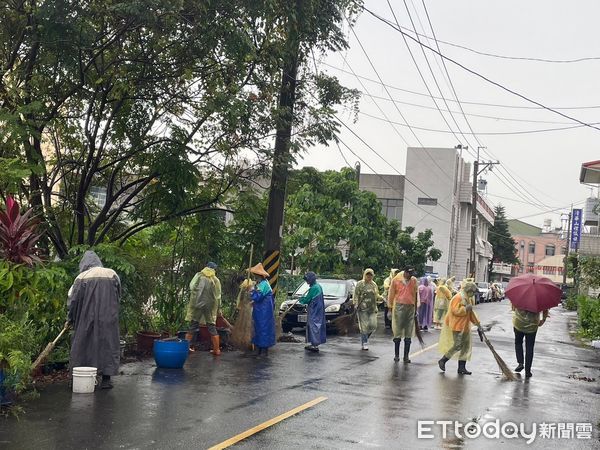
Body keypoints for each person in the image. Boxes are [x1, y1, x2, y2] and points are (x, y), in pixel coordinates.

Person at [67, 251, 121, 390]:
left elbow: (73, 301)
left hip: (86, 319)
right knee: (107, 344)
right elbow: (118, 295)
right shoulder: (112, 274)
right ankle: (106, 380)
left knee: (82, 345)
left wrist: (70, 318)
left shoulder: (81, 277)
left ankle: (77, 378)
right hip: (108, 317)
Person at [437, 280, 482, 375]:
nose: (473, 294)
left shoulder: (467, 298)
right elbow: (455, 311)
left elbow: (471, 314)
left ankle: (461, 368)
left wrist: (478, 324)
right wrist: (465, 309)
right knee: (458, 345)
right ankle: (443, 360)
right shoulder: (458, 297)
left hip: (465, 326)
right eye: (473, 292)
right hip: (457, 326)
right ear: (469, 290)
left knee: (465, 347)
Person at [185, 262, 222, 356]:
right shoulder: (215, 280)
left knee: (193, 325)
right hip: (210, 306)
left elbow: (191, 287)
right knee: (211, 325)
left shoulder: (198, 275)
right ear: (214, 269)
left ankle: (185, 348)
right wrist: (219, 308)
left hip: (197, 303)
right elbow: (218, 296)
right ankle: (216, 350)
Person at [388, 267, 418, 363]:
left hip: (410, 307)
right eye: (409, 274)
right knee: (398, 330)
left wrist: (416, 308)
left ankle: (406, 356)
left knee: (408, 331)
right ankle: (397, 355)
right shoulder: (396, 280)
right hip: (399, 307)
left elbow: (416, 294)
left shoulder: (413, 281)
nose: (411, 276)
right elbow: (391, 295)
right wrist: (390, 308)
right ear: (405, 272)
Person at [513, 306, 549, 378]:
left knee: (518, 343)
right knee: (529, 347)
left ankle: (520, 363)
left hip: (518, 324)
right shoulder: (539, 298)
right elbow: (545, 309)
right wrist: (543, 320)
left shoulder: (520, 295)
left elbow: (513, 307)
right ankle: (527, 371)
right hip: (532, 326)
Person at [249, 263, 276, 355]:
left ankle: (263, 350)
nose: (254, 278)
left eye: (255, 276)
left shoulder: (263, 284)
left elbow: (258, 297)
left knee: (262, 329)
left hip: (263, 312)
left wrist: (252, 290)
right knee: (260, 328)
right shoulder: (263, 283)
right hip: (262, 310)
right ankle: (261, 349)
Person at [354, 268, 382, 350]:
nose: (369, 276)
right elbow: (356, 295)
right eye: (367, 274)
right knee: (364, 326)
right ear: (365, 275)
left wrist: (382, 298)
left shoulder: (374, 285)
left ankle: (365, 337)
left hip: (372, 308)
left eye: (370, 275)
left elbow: (376, 295)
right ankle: (364, 342)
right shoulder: (360, 284)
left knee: (373, 325)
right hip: (362, 309)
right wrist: (356, 304)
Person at [298, 271, 326, 352]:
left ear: (311, 280)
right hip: (318, 309)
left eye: (307, 280)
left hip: (315, 309)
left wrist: (301, 299)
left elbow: (307, 299)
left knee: (313, 325)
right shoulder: (317, 286)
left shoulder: (314, 288)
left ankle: (315, 345)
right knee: (316, 325)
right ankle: (314, 343)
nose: (306, 281)